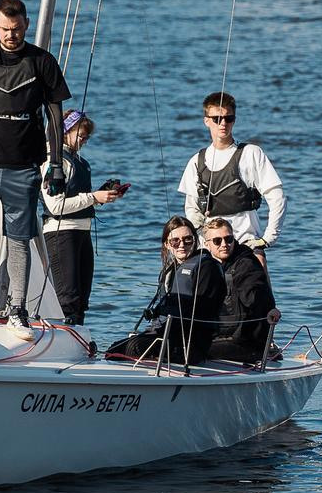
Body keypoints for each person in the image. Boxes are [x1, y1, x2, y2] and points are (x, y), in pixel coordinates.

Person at [0, 0, 71, 338]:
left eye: (17, 29)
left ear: (26, 25)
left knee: (20, 240)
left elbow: (54, 117)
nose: (11, 35)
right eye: (6, 29)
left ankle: (17, 310)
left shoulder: (42, 62)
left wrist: (56, 166)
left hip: (24, 168)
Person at [39, 110, 125, 326]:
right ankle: (61, 337)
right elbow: (55, 205)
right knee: (67, 298)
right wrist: (92, 197)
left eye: (87, 137)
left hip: (82, 231)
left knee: (81, 299)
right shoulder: (54, 162)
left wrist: (100, 197)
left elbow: (79, 198)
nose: (84, 141)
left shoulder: (79, 161)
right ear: (65, 131)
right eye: (81, 136)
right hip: (61, 233)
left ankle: (77, 336)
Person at [178, 92, 285, 258]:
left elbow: (277, 198)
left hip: (247, 246)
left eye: (228, 118)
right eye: (216, 119)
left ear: (234, 120)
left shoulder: (251, 154)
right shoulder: (196, 162)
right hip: (210, 252)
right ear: (206, 120)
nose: (223, 123)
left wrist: (268, 239)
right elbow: (192, 211)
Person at [107, 217, 225, 366]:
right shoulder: (170, 270)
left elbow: (204, 310)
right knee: (114, 349)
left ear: (195, 241)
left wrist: (165, 311)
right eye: (175, 241)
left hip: (191, 341)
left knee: (134, 347)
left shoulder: (206, 267)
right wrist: (155, 312)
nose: (182, 245)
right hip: (164, 333)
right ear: (167, 244)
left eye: (187, 239)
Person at [203, 216, 278, 364]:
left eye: (229, 239)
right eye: (218, 241)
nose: (224, 244)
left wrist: (267, 307)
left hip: (245, 341)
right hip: (217, 336)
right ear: (207, 244)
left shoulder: (246, 264)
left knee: (195, 349)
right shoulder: (206, 264)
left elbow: (256, 297)